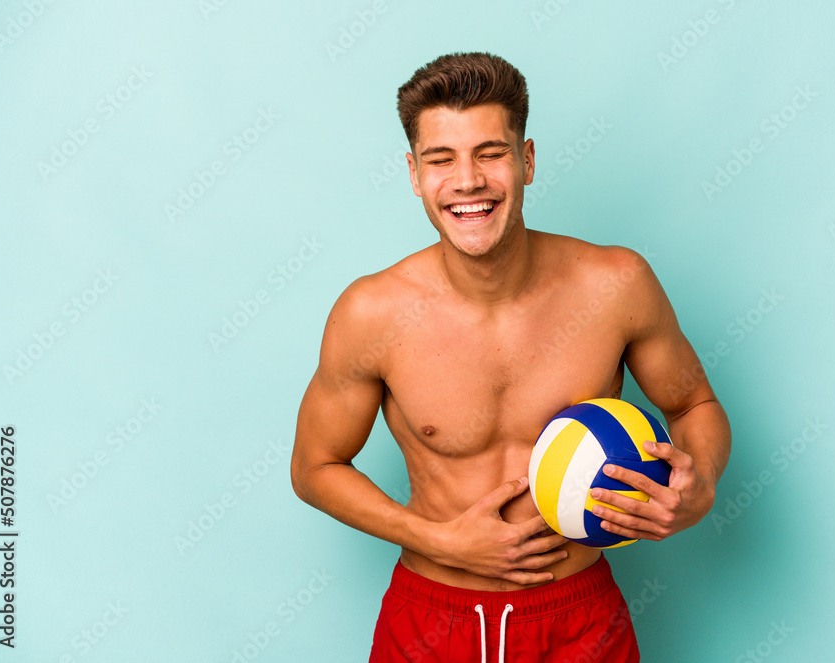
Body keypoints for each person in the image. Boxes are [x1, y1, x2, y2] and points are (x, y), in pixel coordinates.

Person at [291, 51, 731, 663]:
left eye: (490, 153)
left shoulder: (615, 285)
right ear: (414, 173)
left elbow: (694, 403)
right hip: (431, 621)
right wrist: (440, 540)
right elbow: (314, 466)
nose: (467, 180)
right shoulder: (373, 313)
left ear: (525, 161)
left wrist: (701, 483)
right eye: (441, 160)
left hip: (579, 621)